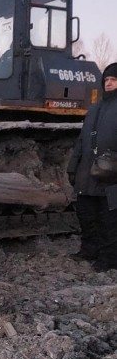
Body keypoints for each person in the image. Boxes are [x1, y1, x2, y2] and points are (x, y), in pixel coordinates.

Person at [67, 62, 117, 271]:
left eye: (114, 79)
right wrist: (72, 166)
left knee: (109, 219)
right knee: (86, 214)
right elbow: (82, 139)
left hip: (111, 175)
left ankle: (108, 259)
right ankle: (89, 250)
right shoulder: (94, 108)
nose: (109, 83)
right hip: (88, 172)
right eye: (106, 80)